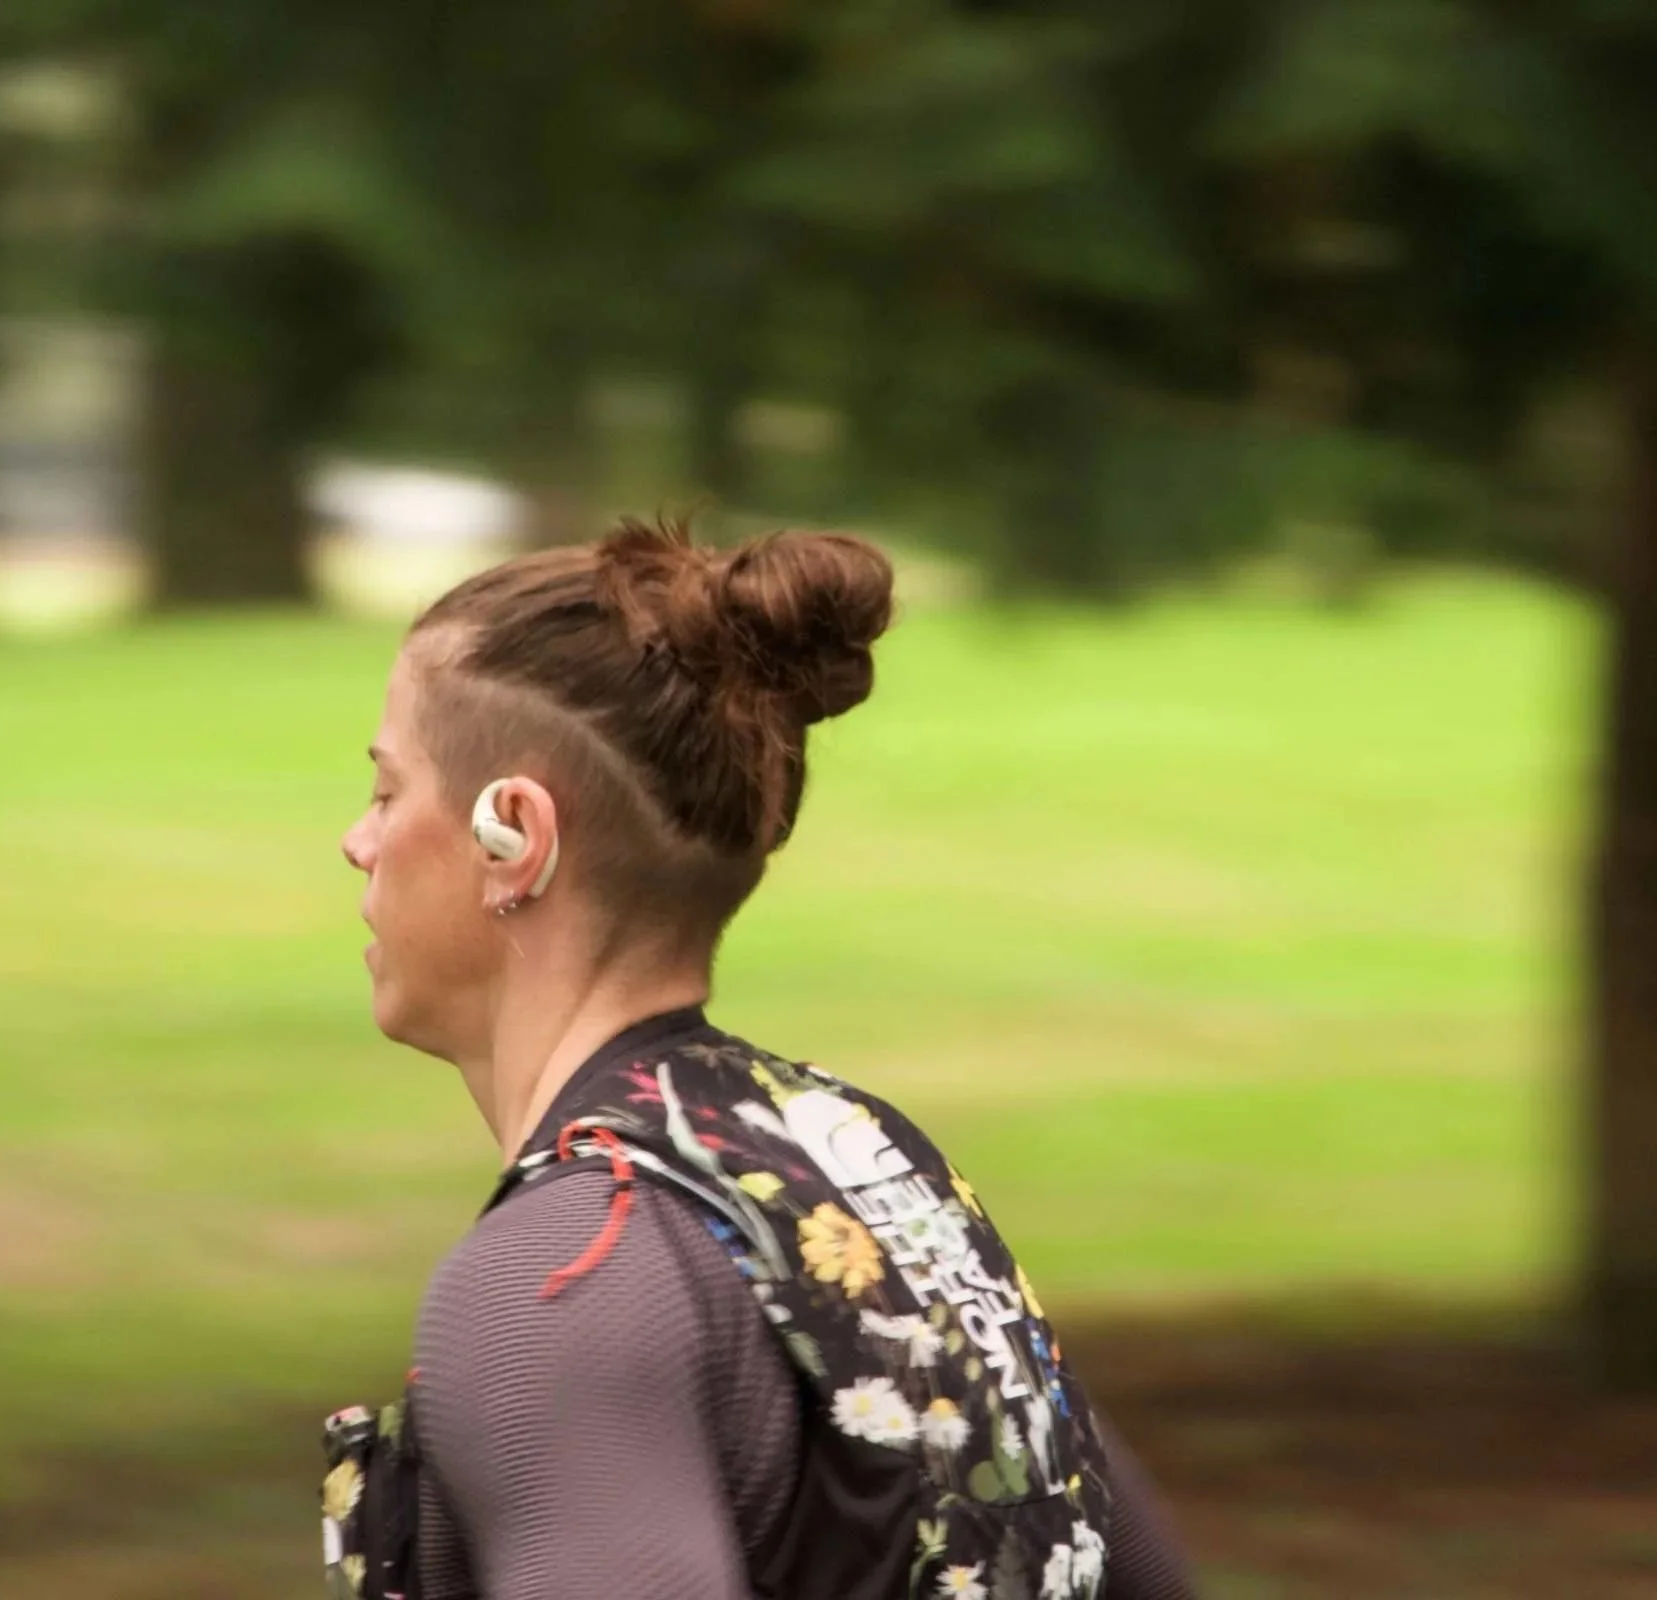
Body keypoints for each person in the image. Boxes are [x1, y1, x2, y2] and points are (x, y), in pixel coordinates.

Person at [326, 516, 1197, 1599]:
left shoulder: (557, 1279)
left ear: (517, 835)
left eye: (385, 790)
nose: (357, 842)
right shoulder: (863, 1168)